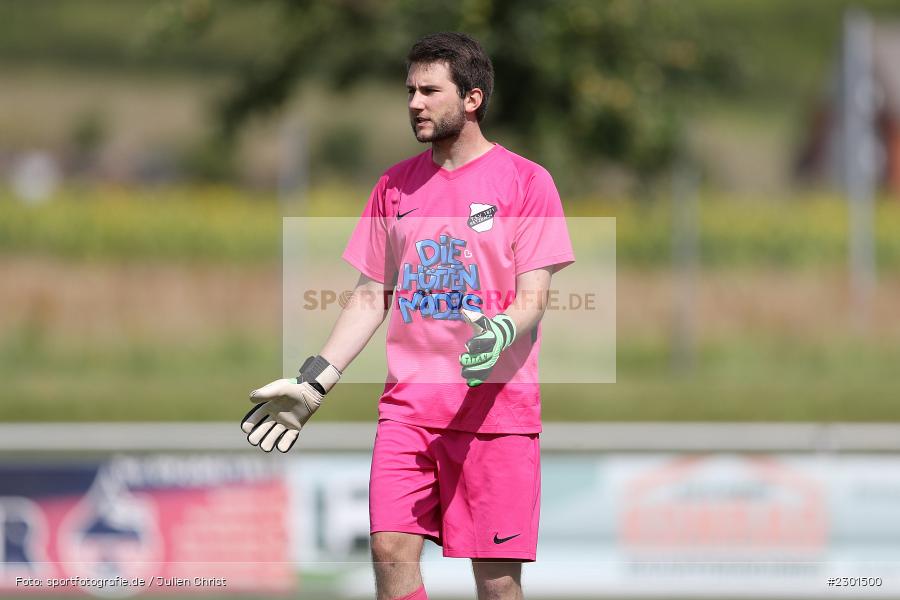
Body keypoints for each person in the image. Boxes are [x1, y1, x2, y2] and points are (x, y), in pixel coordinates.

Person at [242, 32, 574, 600]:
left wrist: (500, 329)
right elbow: (373, 292)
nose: (415, 103)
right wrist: (316, 379)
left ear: (472, 99)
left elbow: (534, 295)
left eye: (429, 90)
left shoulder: (527, 181)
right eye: (410, 90)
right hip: (409, 412)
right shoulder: (393, 187)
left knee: (496, 585)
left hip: (496, 412)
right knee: (389, 551)